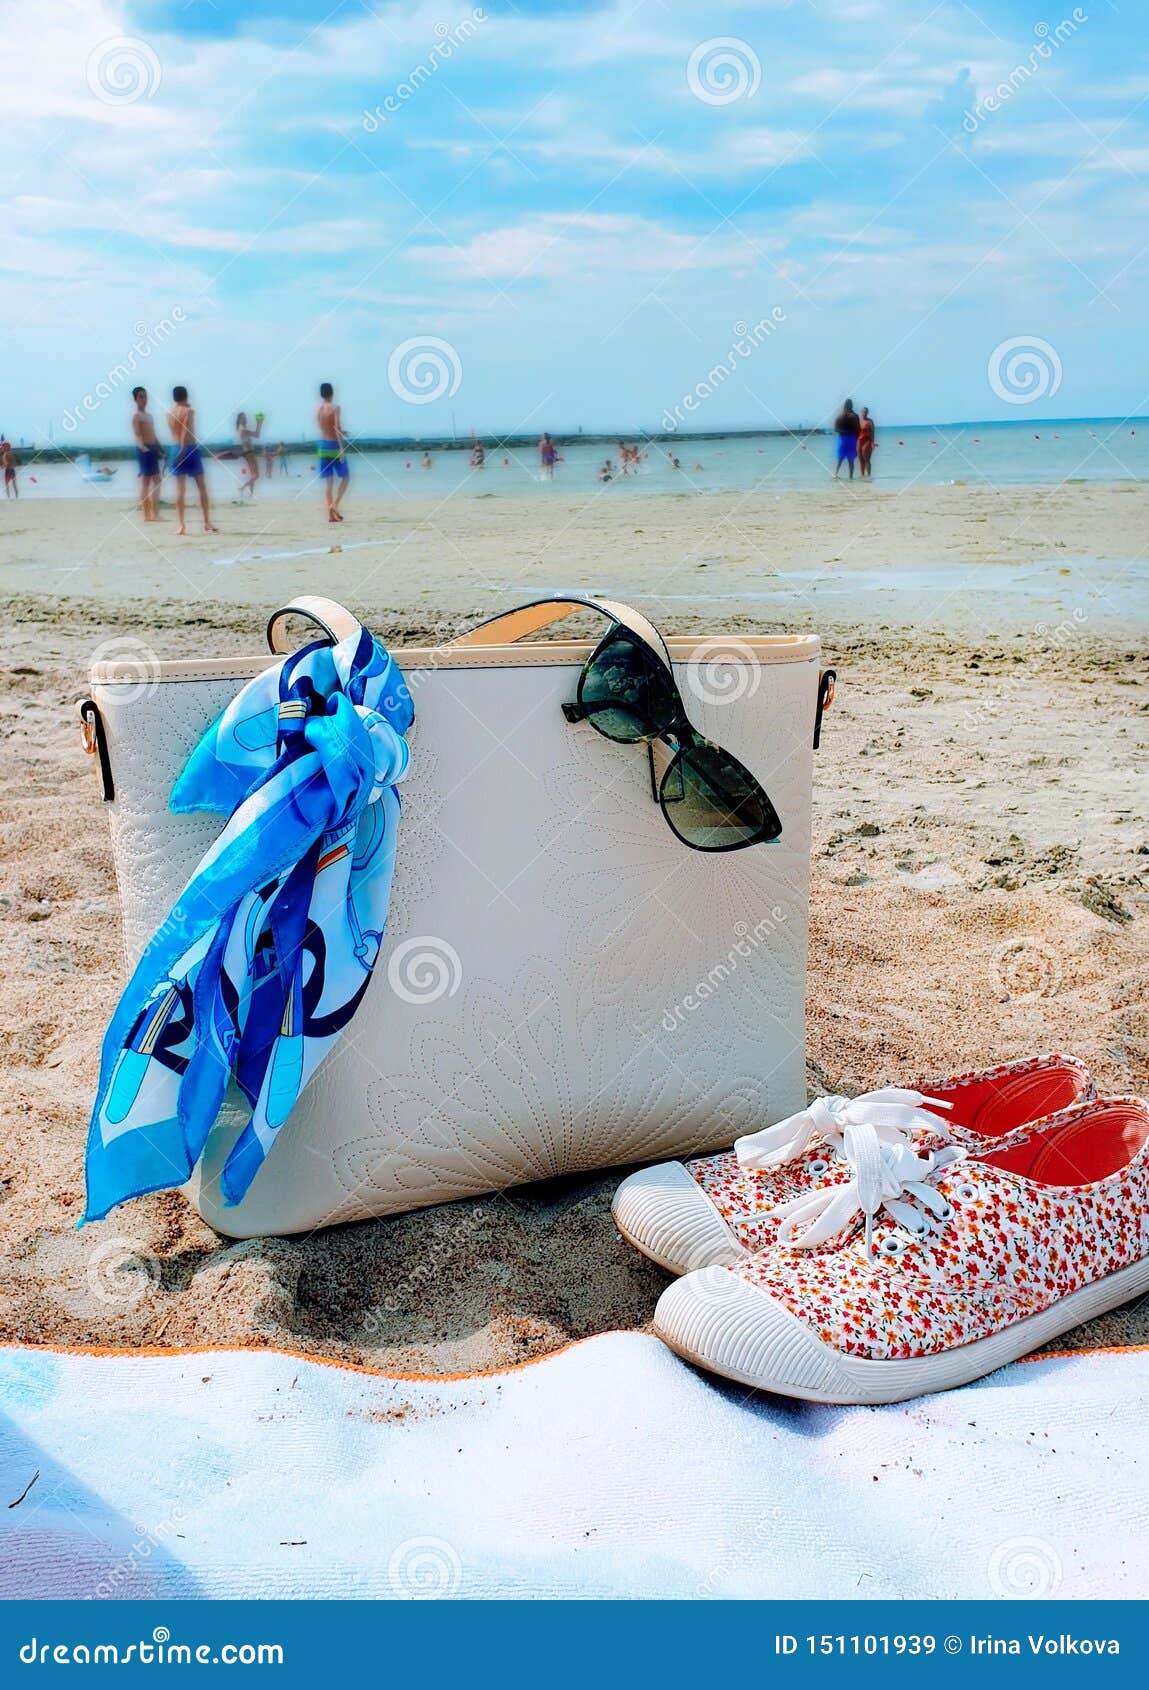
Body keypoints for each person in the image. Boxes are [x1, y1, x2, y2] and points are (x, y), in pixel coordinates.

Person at [166, 386, 216, 534]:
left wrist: (179, 448)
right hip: (189, 448)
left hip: (175, 448)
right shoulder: (189, 411)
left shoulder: (169, 413)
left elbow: (175, 430)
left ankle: (181, 526)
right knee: (201, 487)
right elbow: (185, 429)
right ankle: (206, 522)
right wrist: (183, 448)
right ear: (186, 396)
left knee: (180, 490)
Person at [316, 381, 349, 521]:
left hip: (323, 446)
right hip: (334, 446)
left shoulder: (318, 409)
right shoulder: (335, 407)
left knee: (329, 483)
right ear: (332, 393)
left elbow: (324, 428)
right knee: (346, 478)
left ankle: (331, 517)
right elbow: (336, 427)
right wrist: (341, 448)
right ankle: (334, 505)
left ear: (321, 394)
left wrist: (342, 432)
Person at [130, 387, 162, 520]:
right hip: (144, 450)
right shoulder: (136, 415)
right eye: (141, 397)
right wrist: (143, 448)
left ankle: (153, 514)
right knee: (147, 482)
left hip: (153, 448)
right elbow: (137, 434)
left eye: (145, 396)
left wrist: (160, 448)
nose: (144, 399)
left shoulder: (149, 416)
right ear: (136, 399)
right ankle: (147, 515)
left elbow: (153, 434)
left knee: (155, 481)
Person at [833, 398, 861, 480]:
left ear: (844, 405)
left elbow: (835, 429)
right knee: (851, 459)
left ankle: (835, 474)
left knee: (840, 458)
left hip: (842, 438)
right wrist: (857, 439)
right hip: (852, 438)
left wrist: (843, 431)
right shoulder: (855, 416)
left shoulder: (840, 416)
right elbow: (858, 429)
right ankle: (851, 477)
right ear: (851, 405)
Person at [858, 406, 876, 477]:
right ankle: (862, 476)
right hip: (859, 441)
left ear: (867, 413)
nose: (864, 413)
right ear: (861, 412)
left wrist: (873, 442)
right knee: (860, 460)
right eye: (863, 412)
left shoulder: (870, 421)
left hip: (867, 441)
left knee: (867, 459)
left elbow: (873, 432)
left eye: (865, 412)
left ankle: (869, 476)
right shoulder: (858, 420)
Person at [1, 433, 17, 498]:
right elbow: (13, 463)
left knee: (7, 485)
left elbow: (6, 464)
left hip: (8, 470)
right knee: (14, 485)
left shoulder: (5, 455)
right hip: (12, 470)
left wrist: (2, 466)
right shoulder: (11, 453)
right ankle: (17, 497)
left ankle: (9, 498)